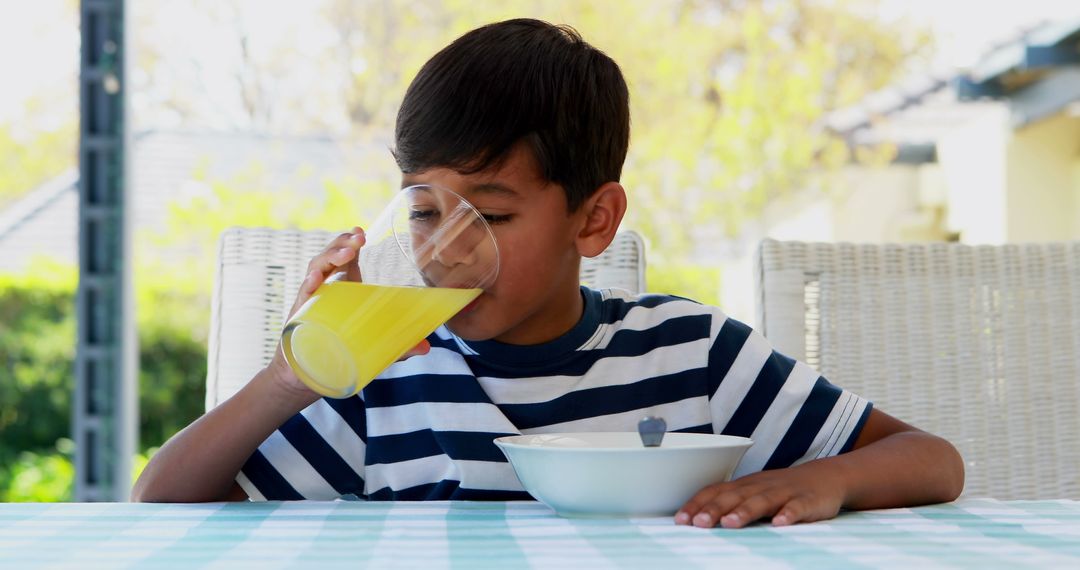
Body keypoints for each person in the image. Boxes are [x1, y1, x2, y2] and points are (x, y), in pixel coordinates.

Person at [132, 18, 964, 529]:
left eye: (489, 216)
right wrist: (295, 373)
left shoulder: (689, 352)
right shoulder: (386, 379)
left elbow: (931, 461)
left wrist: (824, 481)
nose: (445, 248)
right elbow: (161, 507)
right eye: (423, 211)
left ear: (593, 219)